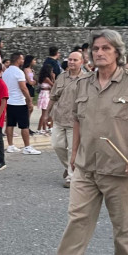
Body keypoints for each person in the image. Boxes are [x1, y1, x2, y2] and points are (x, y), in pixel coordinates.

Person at [43, 29, 128, 255]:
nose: (99, 53)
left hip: (121, 168)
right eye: (96, 49)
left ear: (117, 52)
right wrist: (73, 154)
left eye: (106, 48)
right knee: (78, 218)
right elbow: (77, 120)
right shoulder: (83, 84)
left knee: (123, 223)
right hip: (86, 166)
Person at [46, 51, 84, 188]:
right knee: (57, 145)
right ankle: (69, 166)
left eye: (75, 60)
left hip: (75, 121)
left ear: (82, 62)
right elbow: (53, 97)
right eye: (70, 59)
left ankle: (71, 177)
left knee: (72, 149)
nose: (72, 62)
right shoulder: (61, 77)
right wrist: (46, 114)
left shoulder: (87, 79)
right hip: (59, 117)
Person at [3, 53, 41, 155]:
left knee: (10, 124)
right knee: (24, 125)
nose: (23, 61)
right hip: (19, 101)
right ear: (18, 60)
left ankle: (10, 145)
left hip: (9, 101)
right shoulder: (19, 72)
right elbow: (23, 88)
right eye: (22, 59)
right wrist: (29, 101)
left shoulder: (5, 72)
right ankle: (27, 146)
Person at [36, 63, 55, 134]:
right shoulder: (46, 78)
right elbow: (54, 85)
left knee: (45, 113)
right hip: (45, 95)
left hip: (44, 94)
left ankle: (44, 128)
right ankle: (39, 129)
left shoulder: (43, 78)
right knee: (44, 113)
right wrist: (53, 78)